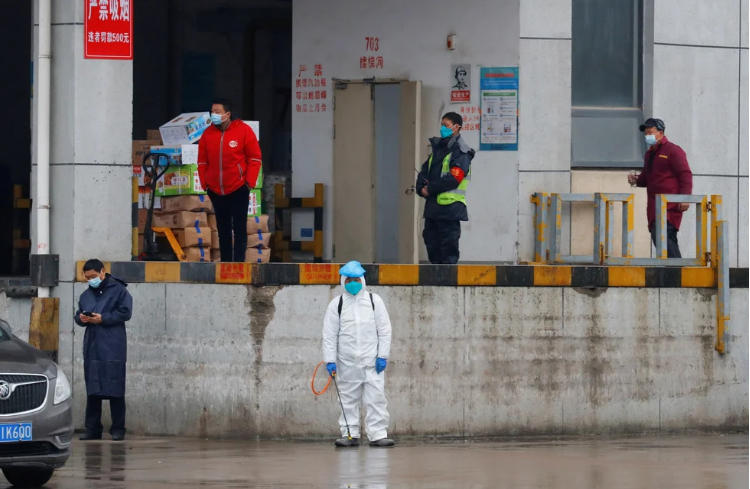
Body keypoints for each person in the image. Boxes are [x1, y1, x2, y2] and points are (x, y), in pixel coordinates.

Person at [322, 261, 394, 448]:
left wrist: (382, 356)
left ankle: (378, 435)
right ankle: (349, 435)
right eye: (348, 280)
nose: (352, 283)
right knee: (347, 400)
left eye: (356, 279)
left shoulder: (374, 301)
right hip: (347, 363)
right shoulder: (336, 305)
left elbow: (384, 330)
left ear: (362, 280)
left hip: (372, 362)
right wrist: (330, 361)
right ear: (343, 281)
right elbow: (329, 335)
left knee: (376, 399)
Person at [74, 259, 132, 441]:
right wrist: (81, 318)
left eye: (93, 276)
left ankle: (118, 428)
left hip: (113, 345)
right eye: (88, 277)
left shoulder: (120, 290)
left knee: (115, 387)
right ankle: (92, 429)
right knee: (93, 388)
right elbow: (78, 315)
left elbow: (125, 313)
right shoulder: (85, 296)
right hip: (92, 346)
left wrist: (103, 318)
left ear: (102, 271)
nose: (91, 280)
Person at [198, 98, 262, 262]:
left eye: (217, 112)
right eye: (212, 111)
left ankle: (239, 264)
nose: (214, 115)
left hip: (238, 188)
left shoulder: (244, 131)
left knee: (239, 228)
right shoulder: (207, 134)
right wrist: (206, 184)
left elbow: (254, 159)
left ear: (227, 114)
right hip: (216, 190)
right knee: (223, 229)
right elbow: (202, 162)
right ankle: (226, 265)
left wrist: (248, 184)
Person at [628, 118, 693, 258]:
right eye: (645, 133)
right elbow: (647, 178)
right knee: (661, 240)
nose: (647, 136)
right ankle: (674, 274)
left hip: (669, 206)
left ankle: (678, 273)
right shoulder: (649, 154)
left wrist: (685, 197)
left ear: (660, 132)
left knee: (664, 238)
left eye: (650, 132)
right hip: (654, 207)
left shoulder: (673, 151)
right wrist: (636, 180)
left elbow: (685, 174)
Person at [416, 112, 475, 264]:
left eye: (446, 125)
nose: (443, 128)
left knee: (448, 248)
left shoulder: (461, 151)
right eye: (442, 125)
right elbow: (424, 171)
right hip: (433, 208)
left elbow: (454, 178)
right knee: (431, 243)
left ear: (456, 128)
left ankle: (447, 283)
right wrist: (421, 187)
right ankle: (435, 281)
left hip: (450, 209)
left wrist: (430, 188)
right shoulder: (438, 149)